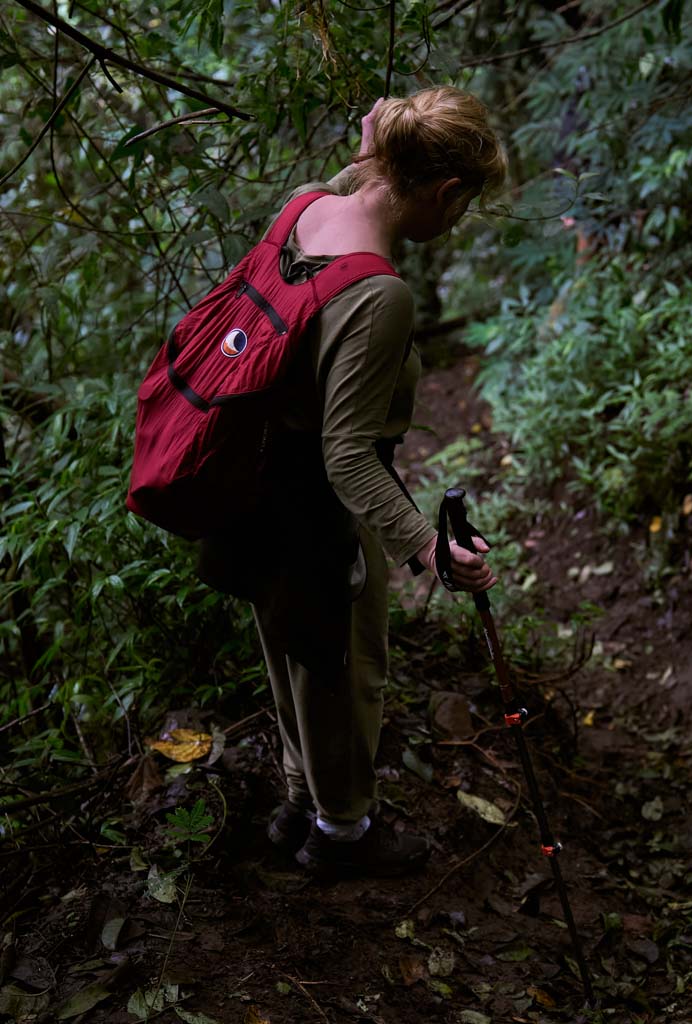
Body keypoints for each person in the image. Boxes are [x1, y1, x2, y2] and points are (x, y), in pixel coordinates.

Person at [199, 86, 507, 878]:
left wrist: (374, 150)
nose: (457, 218)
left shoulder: (304, 207)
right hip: (321, 509)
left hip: (255, 486)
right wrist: (431, 551)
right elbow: (347, 456)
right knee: (345, 669)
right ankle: (342, 833)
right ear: (445, 191)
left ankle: (299, 802)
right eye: (463, 204)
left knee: (290, 655)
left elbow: (354, 184)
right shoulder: (381, 295)